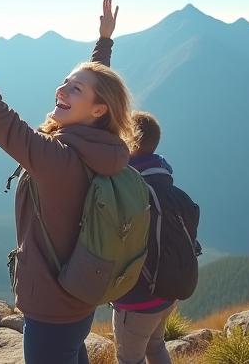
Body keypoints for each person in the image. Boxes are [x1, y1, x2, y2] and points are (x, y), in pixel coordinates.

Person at [0, 0, 134, 364]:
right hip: (79, 295)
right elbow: (99, 91)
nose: (62, 89)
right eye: (65, 81)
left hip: (50, 308)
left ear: (97, 111)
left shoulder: (56, 159)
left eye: (74, 89)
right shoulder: (101, 148)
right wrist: (103, 43)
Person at [111, 111, 178, 364]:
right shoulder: (163, 176)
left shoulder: (127, 185)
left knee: (130, 359)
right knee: (156, 347)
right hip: (166, 291)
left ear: (131, 140)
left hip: (137, 299)